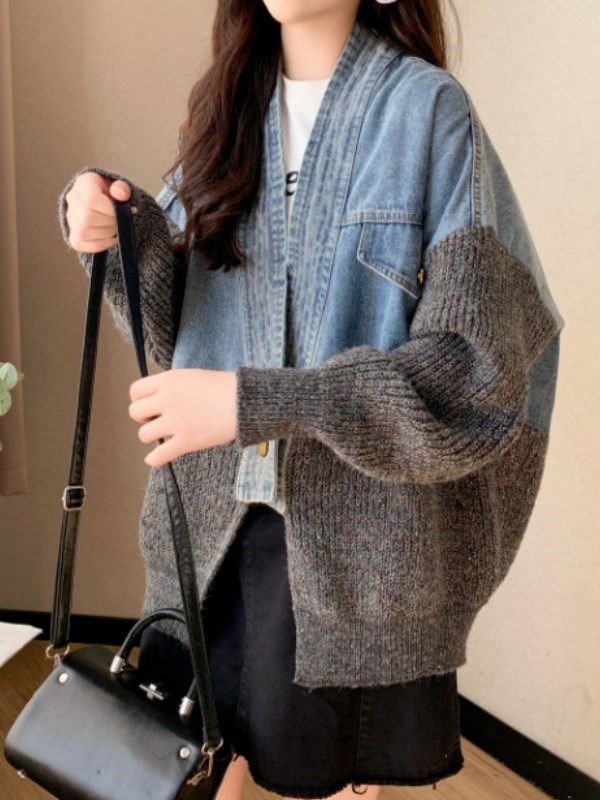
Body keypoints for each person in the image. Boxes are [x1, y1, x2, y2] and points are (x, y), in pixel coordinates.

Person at [57, 1, 565, 798]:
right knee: (191, 772)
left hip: (356, 559)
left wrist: (255, 402)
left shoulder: (426, 111)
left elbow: (474, 376)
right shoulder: (229, 107)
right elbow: (172, 327)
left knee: (328, 781)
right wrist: (116, 228)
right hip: (210, 538)